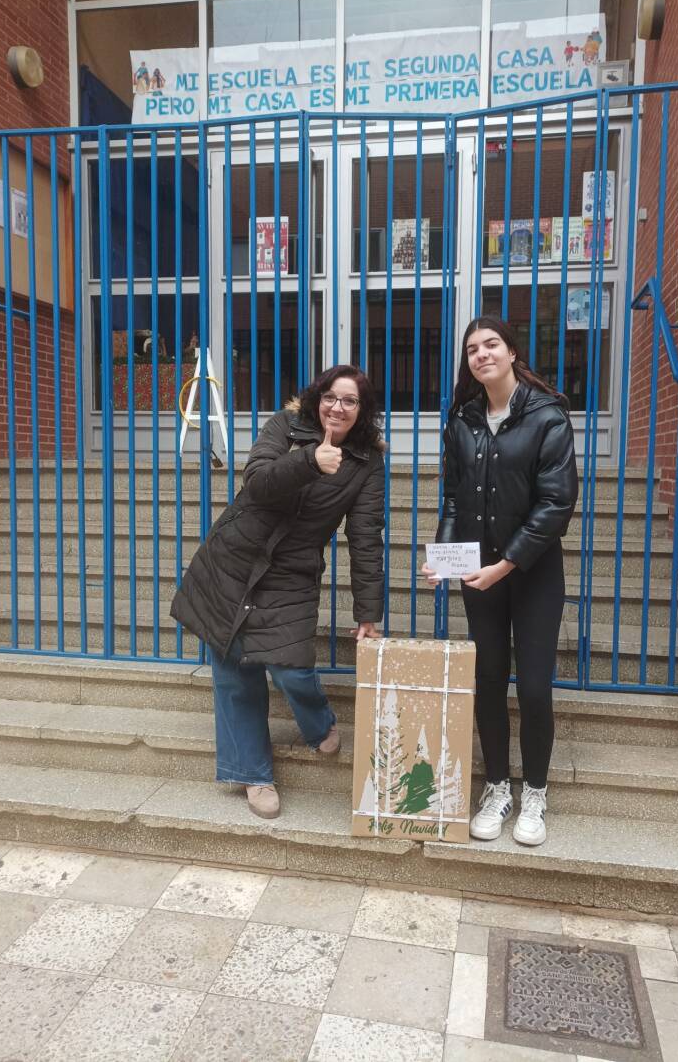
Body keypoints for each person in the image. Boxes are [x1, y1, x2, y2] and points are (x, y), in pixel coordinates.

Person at [171, 365, 385, 820]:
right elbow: (257, 481)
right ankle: (253, 774)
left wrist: (368, 612)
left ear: (362, 410)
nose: (337, 407)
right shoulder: (285, 426)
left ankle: (319, 724)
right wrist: (309, 461)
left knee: (292, 668)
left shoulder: (366, 463)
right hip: (234, 559)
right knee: (233, 669)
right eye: (330, 397)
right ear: (317, 398)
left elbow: (366, 538)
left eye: (350, 401)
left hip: (292, 571)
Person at [423, 317, 578, 846]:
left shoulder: (547, 416)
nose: (481, 354)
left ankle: (534, 792)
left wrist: (506, 564)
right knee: (488, 681)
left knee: (533, 687)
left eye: (491, 345)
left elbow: (556, 504)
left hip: (532, 572)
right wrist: (443, 559)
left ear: (512, 352)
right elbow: (453, 496)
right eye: (472, 349)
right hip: (478, 571)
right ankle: (496, 788)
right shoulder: (463, 420)